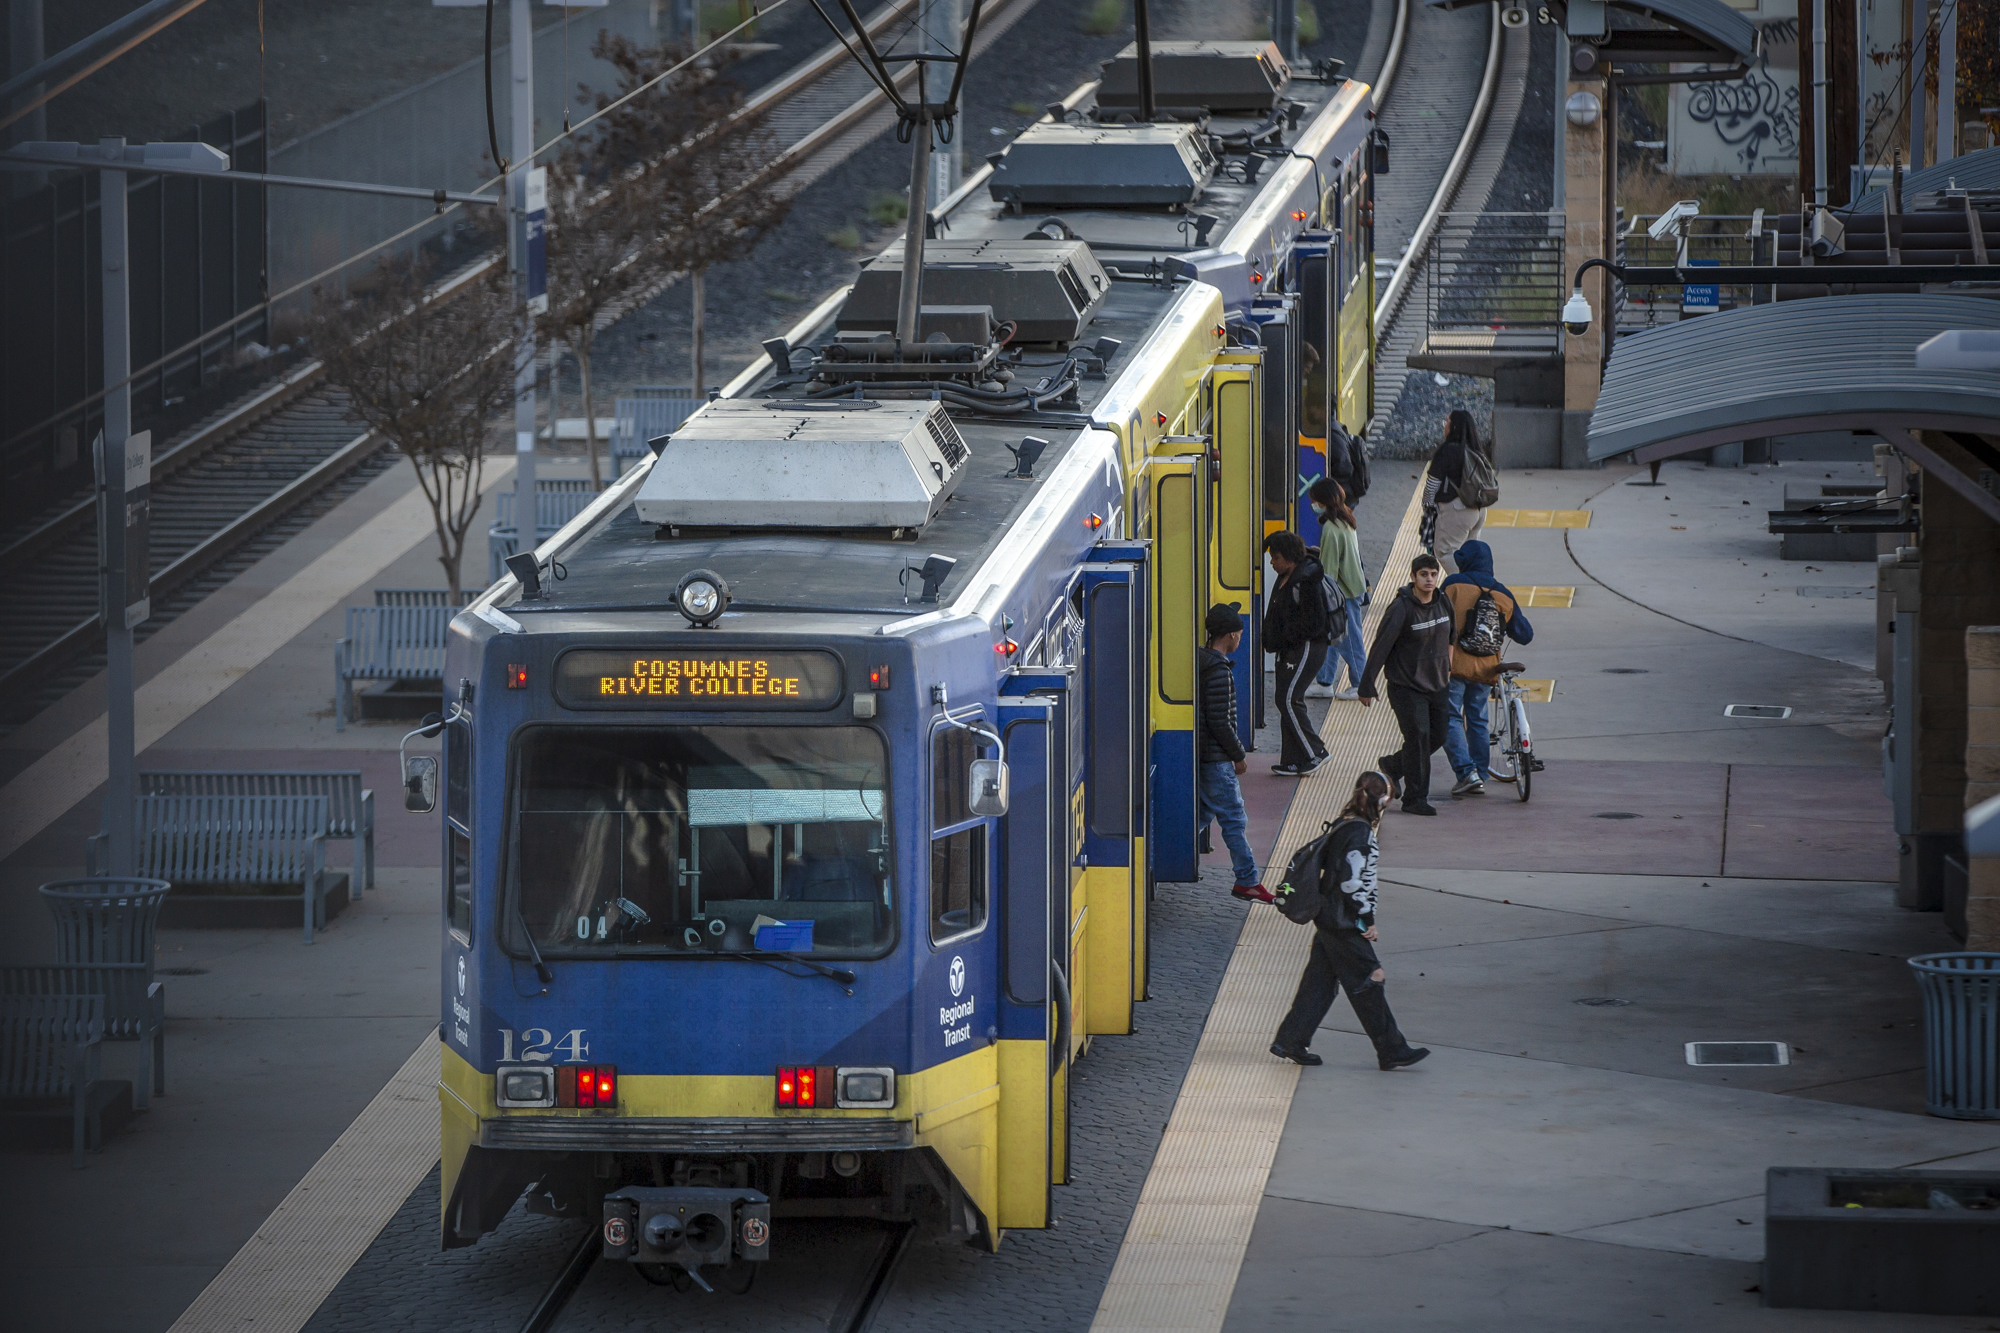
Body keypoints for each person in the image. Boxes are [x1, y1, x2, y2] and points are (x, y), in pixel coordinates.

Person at [1270, 771, 1430, 1070]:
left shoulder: (1345, 824)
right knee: (1372, 977)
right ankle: (1391, 1049)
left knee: (1319, 983)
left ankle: (1291, 1040)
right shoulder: (1359, 834)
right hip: (1342, 921)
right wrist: (1367, 920)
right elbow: (1350, 883)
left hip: (1328, 917)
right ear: (1383, 799)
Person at [1356, 553, 1453, 816]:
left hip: (1438, 683)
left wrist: (1448, 668)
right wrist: (1366, 685)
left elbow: (1451, 637)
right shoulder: (1401, 608)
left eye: (1433, 574)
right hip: (1406, 686)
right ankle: (1414, 799)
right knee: (1418, 737)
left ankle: (1392, 765)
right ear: (1413, 577)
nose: (1429, 579)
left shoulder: (1443, 602)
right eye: (1424, 574)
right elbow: (1380, 647)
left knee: (1438, 736)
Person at [1439, 539, 1534, 796]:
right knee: (1478, 720)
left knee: (1449, 717)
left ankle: (1466, 772)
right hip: (1487, 670)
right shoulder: (1503, 594)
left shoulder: (1453, 585)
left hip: (1454, 666)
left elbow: (1435, 620)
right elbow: (1525, 634)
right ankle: (1480, 774)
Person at [1198, 604, 1271, 903]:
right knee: (1235, 820)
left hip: (1207, 758)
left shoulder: (1203, 662)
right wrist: (1238, 754)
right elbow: (1220, 720)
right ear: (1230, 635)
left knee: (1201, 815)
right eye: (1240, 631)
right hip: (1217, 761)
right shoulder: (1218, 671)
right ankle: (1247, 880)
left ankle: (1154, 854)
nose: (1242, 636)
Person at [1262, 530, 1332, 776]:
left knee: (1288, 699)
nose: (1272, 562)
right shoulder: (1288, 575)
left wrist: (1285, 637)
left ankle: (1316, 752)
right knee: (1287, 698)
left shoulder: (1306, 580)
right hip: (1289, 649)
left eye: (1276, 557)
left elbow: (1313, 623)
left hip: (1306, 648)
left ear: (1290, 557)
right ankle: (1292, 760)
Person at [1303, 477, 1367, 701]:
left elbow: (1328, 572)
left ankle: (1360, 684)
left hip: (1342, 593)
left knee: (1347, 639)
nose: (1312, 503)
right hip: (1352, 587)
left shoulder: (1330, 528)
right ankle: (1324, 681)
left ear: (1323, 501)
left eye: (1314, 500)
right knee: (1332, 637)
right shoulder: (1346, 519)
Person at [1421, 409, 1493, 569]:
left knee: (1445, 553)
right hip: (1479, 510)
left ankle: (1465, 589)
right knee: (1468, 556)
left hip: (1457, 509)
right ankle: (1477, 587)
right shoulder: (1476, 449)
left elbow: (1432, 484)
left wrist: (1427, 505)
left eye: (1447, 422)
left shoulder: (1447, 450)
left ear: (1454, 427)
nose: (1445, 425)